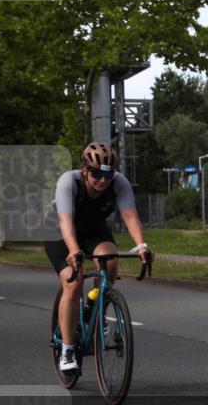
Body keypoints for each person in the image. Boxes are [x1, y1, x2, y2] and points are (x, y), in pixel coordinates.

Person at [44, 142, 153, 372]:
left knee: (111, 262)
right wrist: (73, 250)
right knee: (73, 282)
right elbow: (65, 221)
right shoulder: (68, 182)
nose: (103, 180)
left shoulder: (119, 183)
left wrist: (141, 245)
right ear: (85, 170)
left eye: (108, 175)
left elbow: (130, 215)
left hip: (93, 228)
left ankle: (97, 305)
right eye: (96, 174)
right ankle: (67, 349)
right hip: (59, 229)